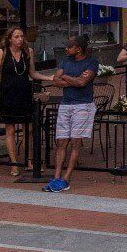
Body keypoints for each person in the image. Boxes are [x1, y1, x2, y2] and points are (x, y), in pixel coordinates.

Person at [41, 34, 97, 193]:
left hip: (83, 105)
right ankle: (56, 177)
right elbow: (55, 80)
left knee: (75, 142)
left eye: (69, 46)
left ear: (78, 49)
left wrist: (65, 76)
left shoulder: (92, 62)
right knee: (61, 141)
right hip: (65, 104)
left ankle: (66, 178)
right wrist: (71, 79)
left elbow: (82, 82)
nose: (66, 48)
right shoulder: (65, 61)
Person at [0, 26, 36, 177]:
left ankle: (29, 161)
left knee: (28, 129)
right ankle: (14, 163)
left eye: (21, 36)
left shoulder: (28, 52)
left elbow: (33, 73)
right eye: (16, 37)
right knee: (10, 129)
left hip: (24, 94)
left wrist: (50, 78)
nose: (20, 39)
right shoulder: (1, 53)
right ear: (9, 38)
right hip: (7, 94)